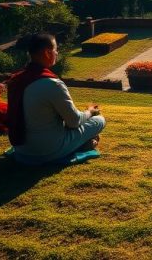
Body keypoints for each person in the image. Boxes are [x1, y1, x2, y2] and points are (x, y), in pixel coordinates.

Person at [7, 33, 105, 165]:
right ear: (47, 53)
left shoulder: (15, 80)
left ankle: (80, 143)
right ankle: (81, 145)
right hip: (50, 150)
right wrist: (90, 112)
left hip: (22, 150)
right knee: (99, 120)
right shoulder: (52, 83)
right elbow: (74, 121)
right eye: (55, 49)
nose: (57, 53)